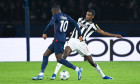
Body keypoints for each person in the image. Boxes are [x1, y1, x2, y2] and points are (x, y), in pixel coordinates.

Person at [50, 10, 122, 80]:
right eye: (87, 14)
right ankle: (54, 74)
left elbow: (103, 32)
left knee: (92, 62)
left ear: (92, 16)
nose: (87, 16)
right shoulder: (80, 19)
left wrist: (115, 35)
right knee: (64, 56)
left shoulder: (93, 26)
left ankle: (103, 75)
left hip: (82, 44)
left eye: (89, 15)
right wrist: (73, 32)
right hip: (72, 41)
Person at [32, 5, 83, 80]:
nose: (52, 14)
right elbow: (75, 23)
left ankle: (77, 69)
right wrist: (80, 34)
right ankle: (41, 74)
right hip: (59, 39)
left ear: (54, 11)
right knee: (45, 55)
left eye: (52, 12)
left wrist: (45, 32)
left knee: (59, 59)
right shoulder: (66, 16)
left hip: (58, 40)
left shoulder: (55, 16)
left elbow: (51, 24)